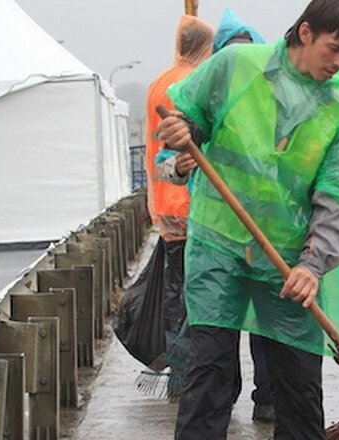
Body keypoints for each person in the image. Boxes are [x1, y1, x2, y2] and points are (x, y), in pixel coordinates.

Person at [156, 0, 339, 440]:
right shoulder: (235, 68)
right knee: (209, 374)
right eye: (334, 48)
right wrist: (181, 130)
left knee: (297, 383)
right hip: (218, 245)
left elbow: (337, 199)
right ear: (304, 32)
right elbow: (191, 120)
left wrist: (313, 265)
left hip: (287, 261)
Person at [156, 8, 276, 424]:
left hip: (264, 236)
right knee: (214, 330)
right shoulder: (199, 101)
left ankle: (269, 398)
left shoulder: (273, 103)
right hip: (211, 239)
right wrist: (182, 165)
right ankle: (217, 401)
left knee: (266, 326)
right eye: (230, 57)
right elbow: (164, 163)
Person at [144, 16, 214, 358]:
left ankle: (177, 367)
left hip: (165, 203)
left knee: (176, 292)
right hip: (192, 204)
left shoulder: (159, 82)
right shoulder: (194, 82)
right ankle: (187, 369)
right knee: (197, 296)